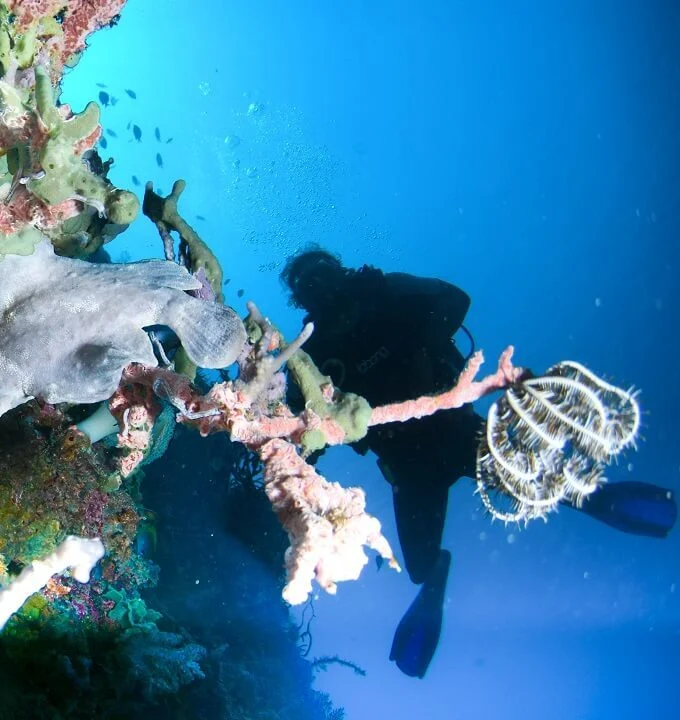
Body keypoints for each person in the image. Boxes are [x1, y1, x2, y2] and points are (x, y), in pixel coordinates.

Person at [281, 247, 677, 679]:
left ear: (338, 270)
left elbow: (456, 299)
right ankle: (437, 576)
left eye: (321, 273)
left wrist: (422, 339)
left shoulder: (382, 290)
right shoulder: (312, 350)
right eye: (307, 285)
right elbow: (299, 428)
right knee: (418, 565)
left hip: (456, 430)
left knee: (539, 484)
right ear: (302, 301)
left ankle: (597, 497)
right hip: (407, 466)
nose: (321, 287)